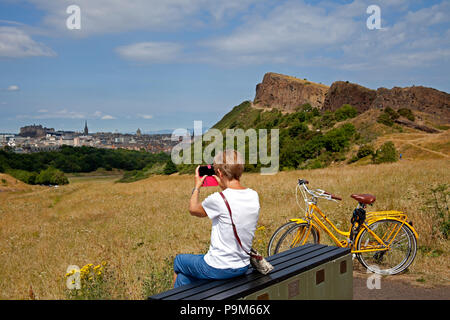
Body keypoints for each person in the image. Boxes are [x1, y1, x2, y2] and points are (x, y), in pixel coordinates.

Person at [173, 150, 260, 288]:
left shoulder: (219, 199)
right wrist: (224, 184)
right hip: (242, 265)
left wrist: (197, 186)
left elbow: (193, 209)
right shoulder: (253, 195)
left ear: (219, 173)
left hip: (218, 267)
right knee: (184, 277)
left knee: (179, 261)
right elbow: (234, 196)